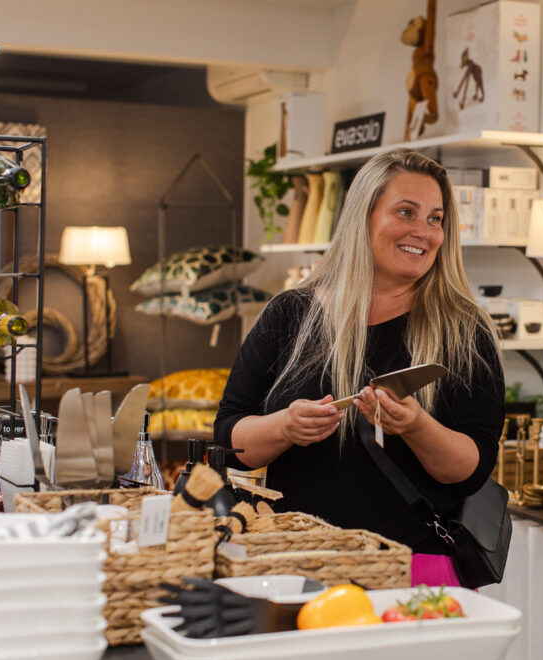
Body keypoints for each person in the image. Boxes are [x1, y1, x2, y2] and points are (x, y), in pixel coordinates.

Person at [214, 148, 504, 586]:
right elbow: (230, 438)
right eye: (406, 212)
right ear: (362, 217)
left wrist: (416, 426)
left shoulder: (465, 333)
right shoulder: (290, 314)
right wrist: (284, 427)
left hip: (408, 575)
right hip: (295, 567)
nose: (423, 232)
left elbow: (472, 469)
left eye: (435, 219)